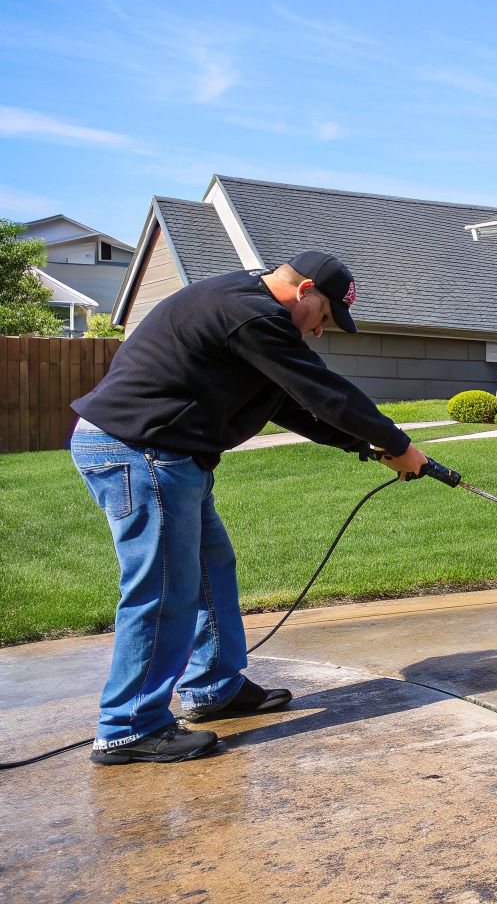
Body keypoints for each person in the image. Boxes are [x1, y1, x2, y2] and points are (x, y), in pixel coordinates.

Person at [70, 251, 429, 765]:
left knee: (211, 568)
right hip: (140, 449)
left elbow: (289, 405)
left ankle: (212, 687)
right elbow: (326, 393)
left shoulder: (248, 311)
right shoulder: (251, 314)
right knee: (163, 588)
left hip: (168, 453)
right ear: (305, 290)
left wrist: (365, 446)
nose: (320, 332)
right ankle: (128, 725)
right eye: (324, 317)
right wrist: (397, 444)